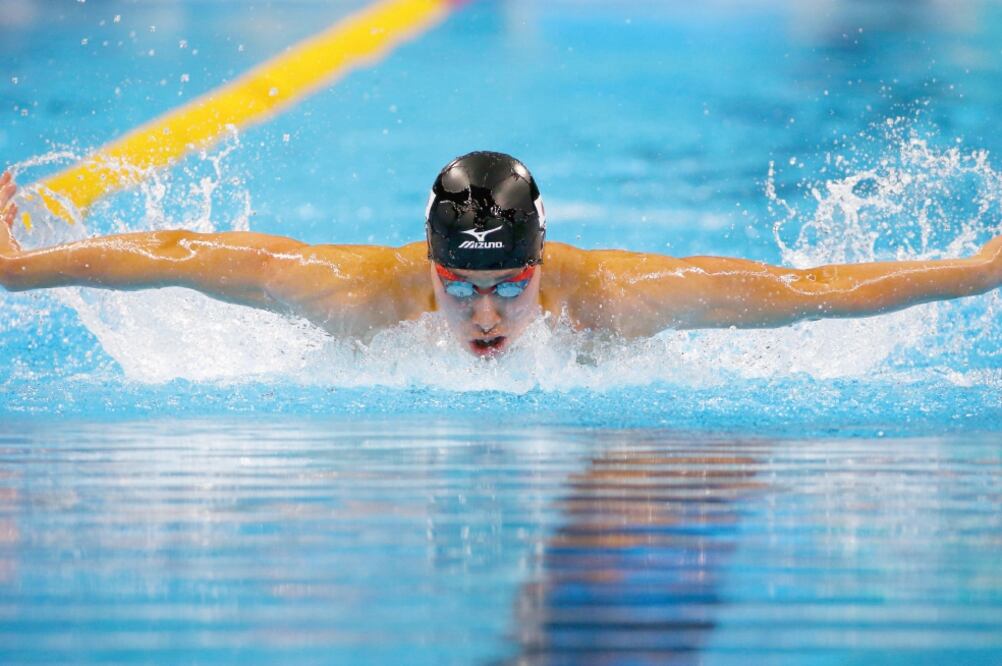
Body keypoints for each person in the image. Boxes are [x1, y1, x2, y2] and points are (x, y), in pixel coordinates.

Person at [1, 152, 1000, 357]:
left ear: (543, 263)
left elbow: (812, 291)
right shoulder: (354, 293)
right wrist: (19, 268)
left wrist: (981, 271)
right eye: (462, 289)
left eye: (511, 287)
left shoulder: (619, 298)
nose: (486, 317)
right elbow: (178, 253)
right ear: (428, 266)